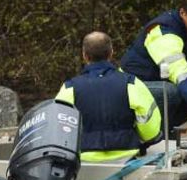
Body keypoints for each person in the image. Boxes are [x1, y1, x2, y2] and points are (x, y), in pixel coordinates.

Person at [56, 31, 161, 162]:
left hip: (84, 159)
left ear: (84, 55)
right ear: (111, 53)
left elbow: (59, 129)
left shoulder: (69, 88)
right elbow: (150, 129)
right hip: (126, 157)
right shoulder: (132, 83)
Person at [120, 0, 187, 129]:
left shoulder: (186, 31)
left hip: (155, 80)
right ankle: (154, 132)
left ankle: (166, 129)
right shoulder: (165, 33)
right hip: (132, 84)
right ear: (183, 13)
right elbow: (177, 70)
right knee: (171, 93)